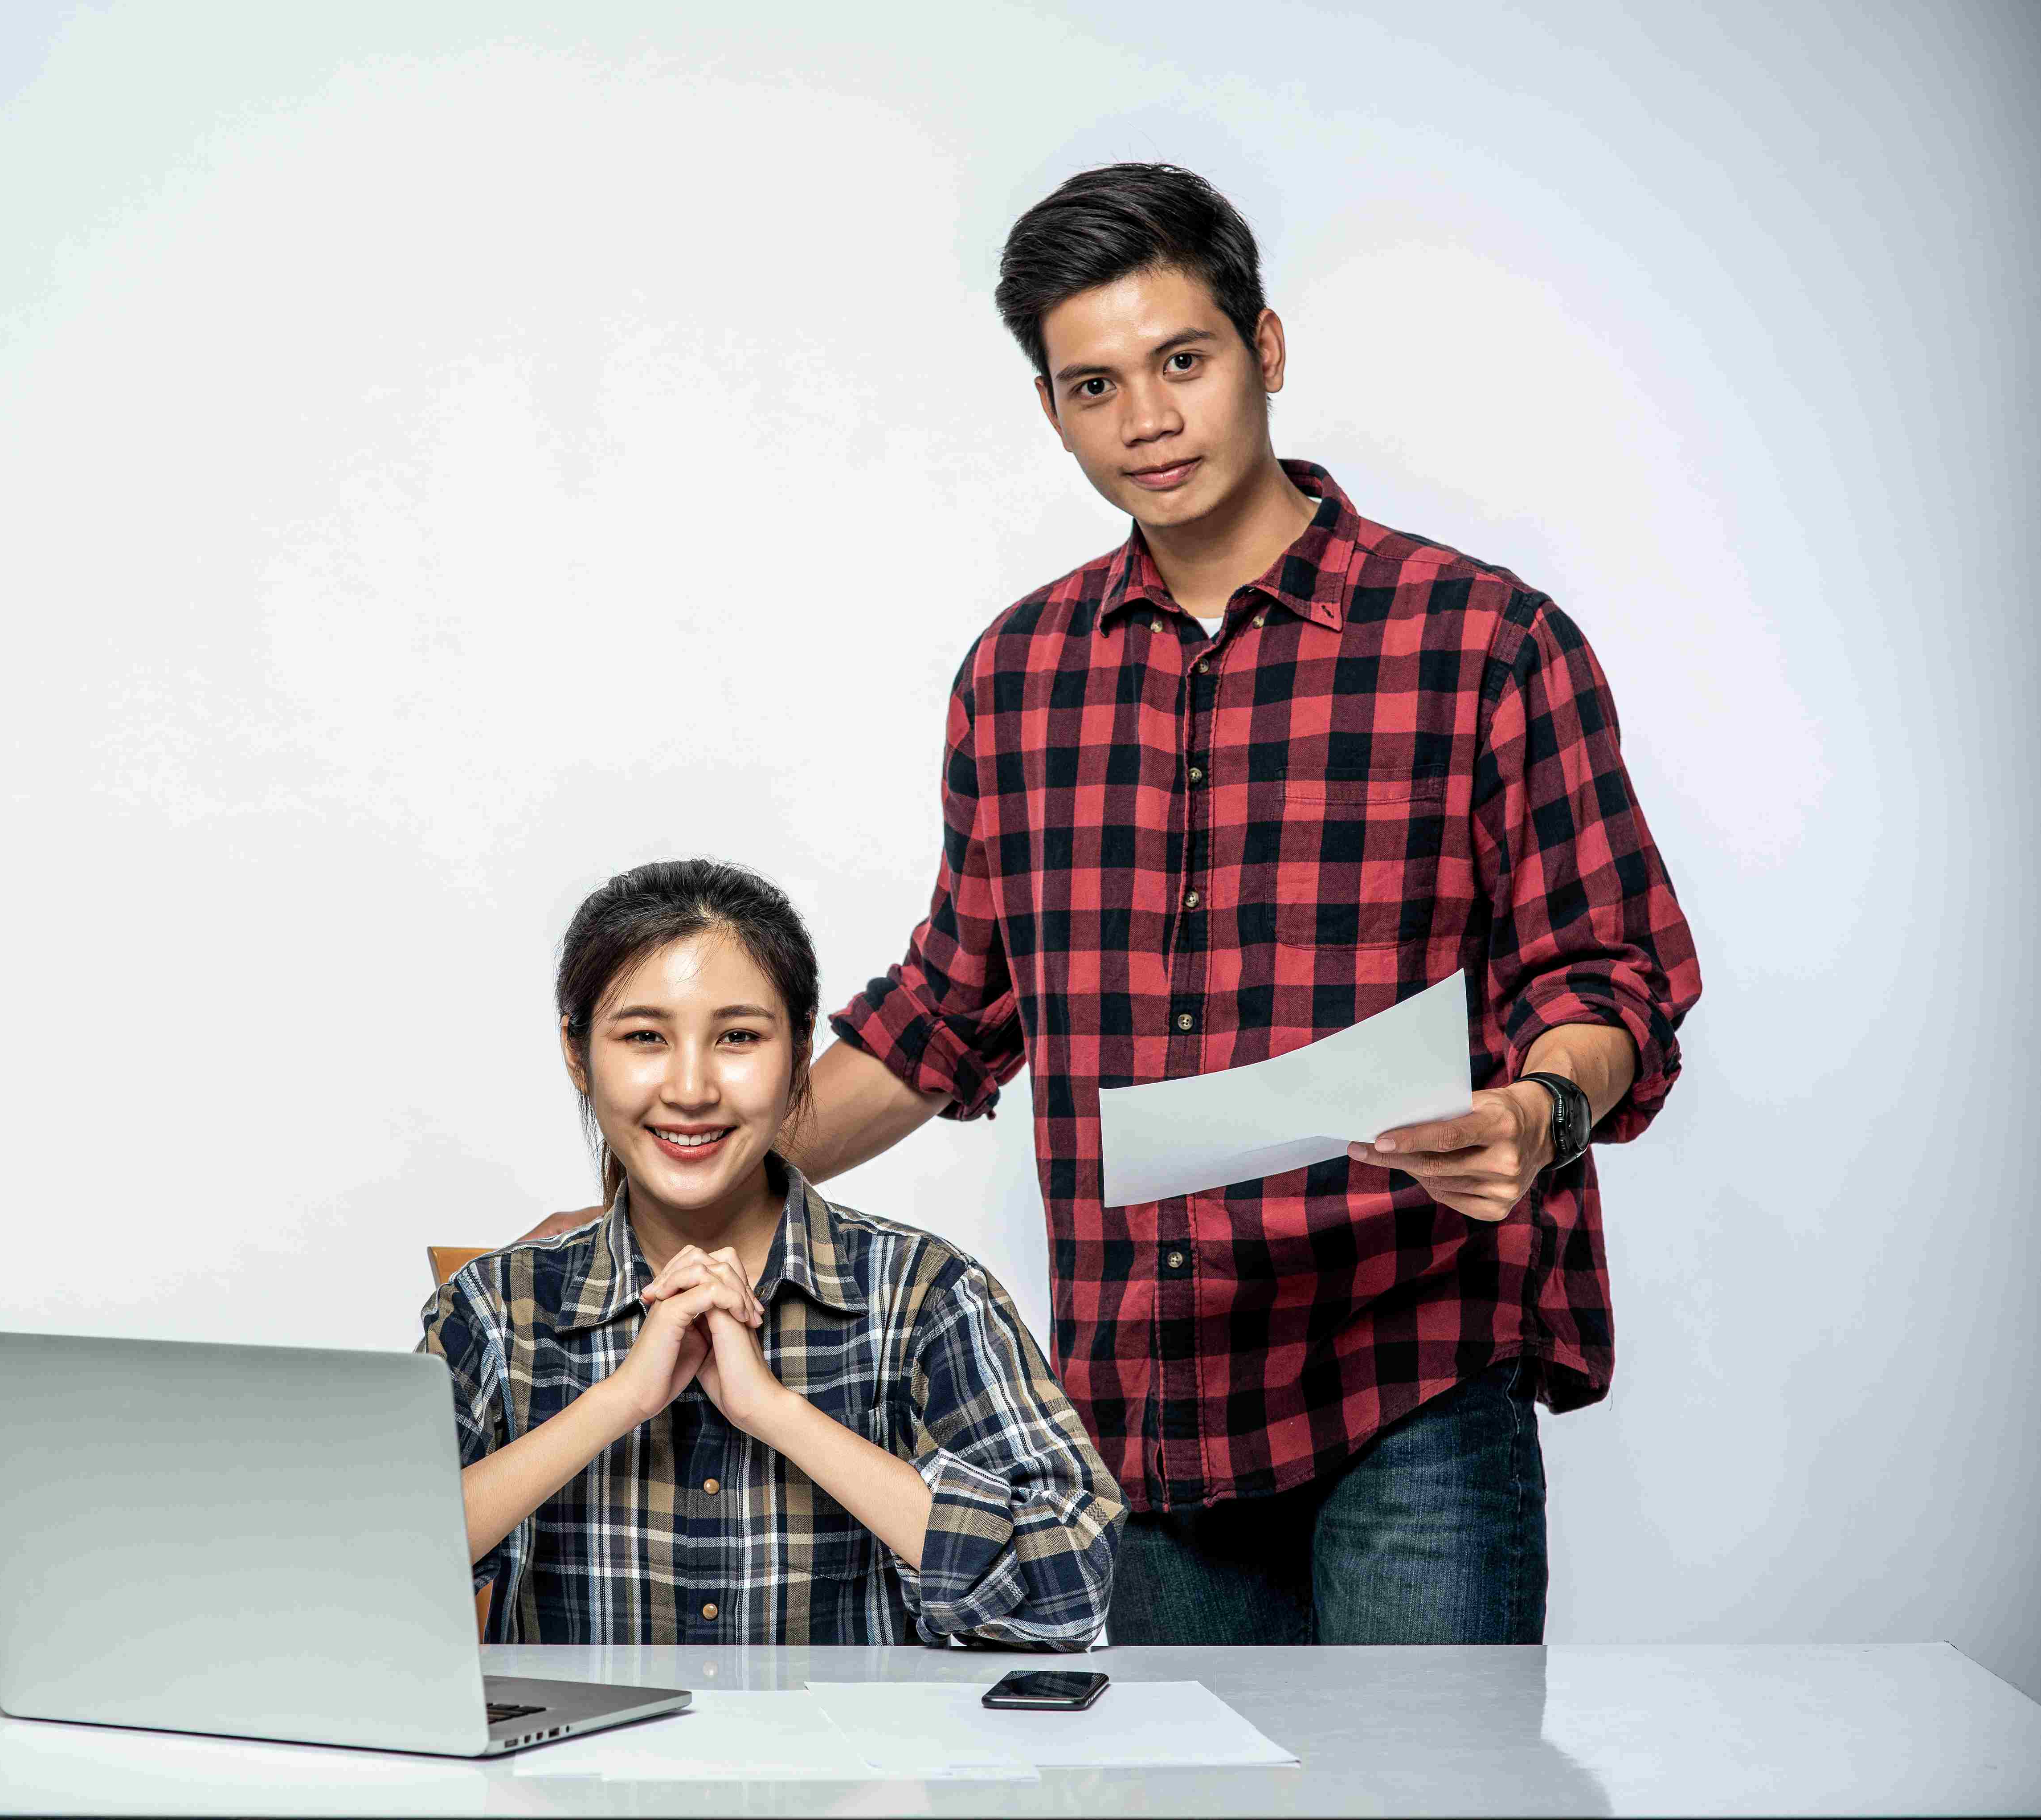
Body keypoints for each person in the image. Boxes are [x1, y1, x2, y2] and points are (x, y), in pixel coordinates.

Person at [526, 164, 1702, 1646]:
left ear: (1262, 349)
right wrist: (662, 1211)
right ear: (1050, 408)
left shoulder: (1482, 642)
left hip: (1406, 1374)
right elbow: (943, 1016)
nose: (1147, 418)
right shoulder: (1018, 679)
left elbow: (1606, 971)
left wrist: (1538, 1109)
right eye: (1093, 384)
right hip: (1141, 1407)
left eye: (1183, 361)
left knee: (1428, 1799)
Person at [422, 858, 1122, 1646]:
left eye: (739, 1037)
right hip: (572, 1772)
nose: (691, 1088)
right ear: (578, 1054)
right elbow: (370, 1582)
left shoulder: (924, 1294)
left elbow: (1070, 1586)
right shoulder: (495, 1307)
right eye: (646, 1036)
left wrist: (777, 1411)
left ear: (798, 1057)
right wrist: (617, 1402)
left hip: (863, 1770)